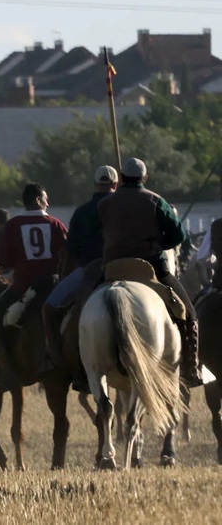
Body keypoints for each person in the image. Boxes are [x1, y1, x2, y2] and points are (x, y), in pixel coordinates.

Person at [98, 157, 202, 387]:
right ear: (144, 178)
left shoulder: (105, 204)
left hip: (112, 266)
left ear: (122, 177)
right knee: (190, 313)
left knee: (78, 305)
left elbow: (100, 233)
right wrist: (158, 244)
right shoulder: (156, 200)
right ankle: (191, 367)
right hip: (150, 265)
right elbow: (178, 236)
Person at [0, 183, 67, 386]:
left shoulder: (13, 225)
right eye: (45, 198)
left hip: (22, 287)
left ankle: (8, 371)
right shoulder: (55, 224)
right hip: (54, 287)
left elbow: (4, 261)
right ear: (37, 200)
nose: (48, 202)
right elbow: (66, 255)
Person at [42, 165, 118, 367]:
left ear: (95, 184)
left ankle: (54, 358)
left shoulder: (82, 211)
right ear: (115, 184)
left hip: (90, 269)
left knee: (49, 308)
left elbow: (72, 250)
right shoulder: (126, 207)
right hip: (125, 267)